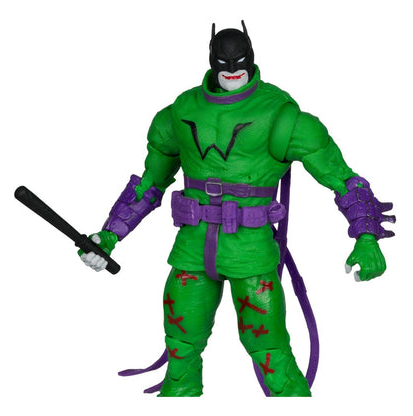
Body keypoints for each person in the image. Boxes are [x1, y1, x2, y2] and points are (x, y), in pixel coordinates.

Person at [80, 21, 395, 396]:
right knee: (180, 349)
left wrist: (367, 236)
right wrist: (107, 236)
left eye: (239, 60)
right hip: (192, 251)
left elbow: (342, 178)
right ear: (211, 60)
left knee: (270, 352)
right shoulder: (181, 112)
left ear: (251, 58)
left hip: (250, 253)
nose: (232, 68)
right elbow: (150, 183)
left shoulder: (280, 115)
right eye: (223, 61)